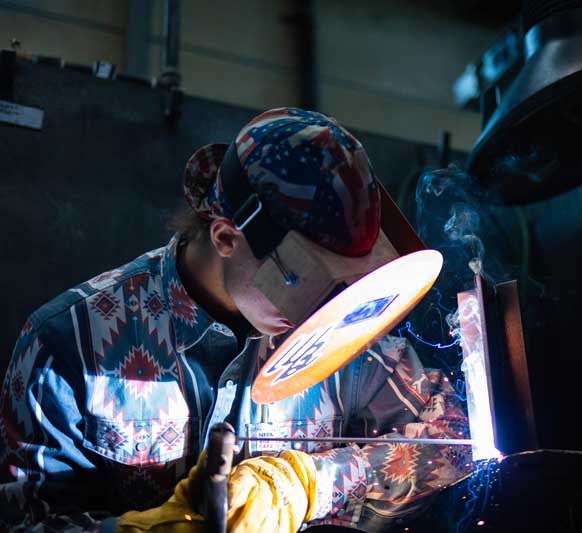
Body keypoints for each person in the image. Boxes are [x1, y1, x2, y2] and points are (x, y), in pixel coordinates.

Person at [0, 108, 470, 532]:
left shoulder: (351, 325)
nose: (324, 314)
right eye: (309, 284)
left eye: (345, 283)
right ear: (226, 237)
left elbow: (457, 439)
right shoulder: (66, 345)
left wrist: (312, 483)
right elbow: (27, 524)